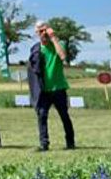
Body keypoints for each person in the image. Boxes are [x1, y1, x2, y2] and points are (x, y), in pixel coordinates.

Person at [28, 20, 76, 151]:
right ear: (37, 33)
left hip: (59, 87)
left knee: (64, 116)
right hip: (43, 90)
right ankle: (44, 143)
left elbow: (62, 57)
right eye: (41, 31)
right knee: (42, 116)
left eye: (45, 30)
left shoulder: (58, 44)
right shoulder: (35, 49)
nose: (44, 33)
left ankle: (70, 142)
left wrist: (54, 38)